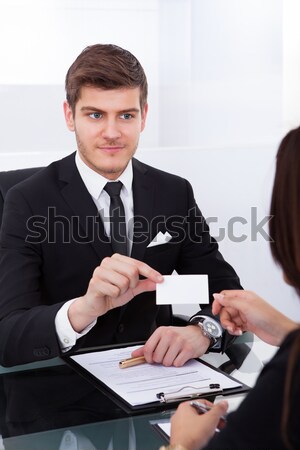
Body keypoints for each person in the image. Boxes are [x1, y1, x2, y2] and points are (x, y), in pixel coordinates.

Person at [0, 44, 242, 368]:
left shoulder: (174, 193)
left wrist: (202, 331)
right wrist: (83, 309)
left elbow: (226, 294)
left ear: (144, 116)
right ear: (70, 116)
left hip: (155, 375)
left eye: (126, 115)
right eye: (95, 114)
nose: (111, 133)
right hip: (60, 390)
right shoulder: (26, 200)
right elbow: (9, 334)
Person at [164, 126, 300, 450]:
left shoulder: (173, 192)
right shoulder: (27, 200)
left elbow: (218, 286)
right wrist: (286, 330)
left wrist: (180, 444)